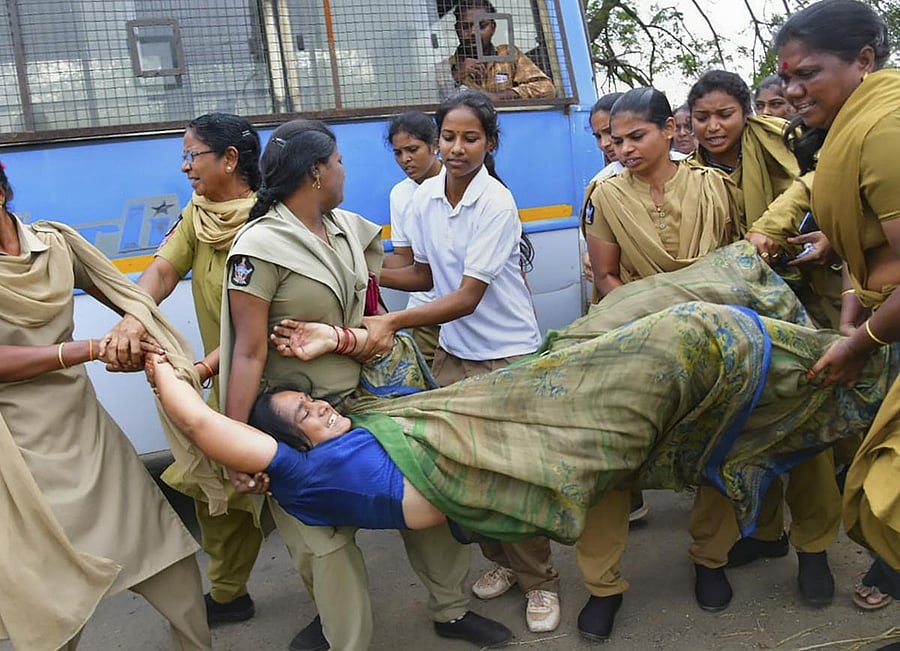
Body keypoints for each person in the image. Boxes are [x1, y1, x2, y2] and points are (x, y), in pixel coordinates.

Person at [220, 118, 512, 650]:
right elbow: (247, 348)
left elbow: (393, 293)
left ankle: (451, 610)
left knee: (426, 498)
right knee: (323, 542)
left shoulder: (346, 229)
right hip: (300, 415)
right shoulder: (259, 247)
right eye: (337, 163)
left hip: (368, 396)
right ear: (315, 172)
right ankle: (342, 635)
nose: (343, 171)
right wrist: (237, 444)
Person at [370, 89, 561, 633]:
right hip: (456, 353)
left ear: (489, 143)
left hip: (506, 356)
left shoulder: (495, 202)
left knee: (512, 478)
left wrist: (390, 321)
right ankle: (503, 565)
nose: (457, 148)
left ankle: (541, 583)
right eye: (449, 137)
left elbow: (468, 295)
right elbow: (426, 276)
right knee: (458, 477)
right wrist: (356, 268)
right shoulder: (425, 198)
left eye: (470, 138)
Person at [0, 164, 211, 650]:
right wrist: (89, 349)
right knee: (50, 597)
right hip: (18, 455)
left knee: (165, 559)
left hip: (86, 434)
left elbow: (132, 297)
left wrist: (132, 328)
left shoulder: (57, 244)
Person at [580, 86, 744, 638]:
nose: (622, 148)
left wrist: (699, 324)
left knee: (718, 447)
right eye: (614, 139)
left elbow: (736, 266)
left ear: (671, 129)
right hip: (635, 338)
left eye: (635, 136)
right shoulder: (604, 196)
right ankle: (602, 585)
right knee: (611, 458)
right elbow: (606, 277)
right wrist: (650, 320)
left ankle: (710, 561)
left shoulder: (717, 188)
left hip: (712, 335)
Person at [99, 112, 265, 626]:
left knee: (282, 495)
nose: (186, 167)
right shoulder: (198, 215)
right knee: (214, 491)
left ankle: (333, 611)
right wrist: (134, 315)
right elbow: (164, 270)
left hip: (272, 378)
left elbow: (272, 315)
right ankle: (230, 592)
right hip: (222, 379)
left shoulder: (269, 219)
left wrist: (206, 364)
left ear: (230, 160)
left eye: (193, 155)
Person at [688, 68, 842, 607]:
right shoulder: (690, 175)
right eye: (701, 117)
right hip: (731, 316)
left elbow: (833, 200)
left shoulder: (787, 145)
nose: (712, 127)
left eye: (724, 114)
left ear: (747, 111)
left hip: (803, 307)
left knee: (806, 431)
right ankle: (766, 535)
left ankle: (815, 551)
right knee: (743, 430)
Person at [774, 0, 900, 612]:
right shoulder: (853, 127)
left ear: (865, 61)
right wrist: (851, 304)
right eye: (785, 76)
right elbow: (867, 232)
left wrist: (860, 344)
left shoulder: (885, 129)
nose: (793, 90)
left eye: (808, 74)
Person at [579, 91, 649, 523]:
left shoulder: (696, 182)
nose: (610, 144)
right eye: (601, 135)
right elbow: (599, 263)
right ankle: (631, 497)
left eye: (615, 133)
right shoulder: (603, 185)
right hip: (619, 307)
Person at [383, 112, 443, 365]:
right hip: (423, 311)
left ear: (435, 146)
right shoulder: (400, 194)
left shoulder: (454, 184)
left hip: (463, 310)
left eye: (413, 149)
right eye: (398, 153)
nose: (405, 159)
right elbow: (403, 259)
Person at [450, 0, 556, 100]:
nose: (473, 32)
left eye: (482, 26)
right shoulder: (446, 67)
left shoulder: (509, 54)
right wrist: (456, 76)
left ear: (493, 27)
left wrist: (497, 97)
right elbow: (436, 99)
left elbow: (546, 89)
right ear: (457, 30)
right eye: (465, 26)